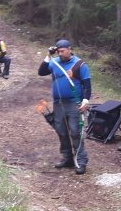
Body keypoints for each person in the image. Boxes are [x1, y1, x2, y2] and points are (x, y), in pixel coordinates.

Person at [38, 39, 91, 175]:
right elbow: (42, 72)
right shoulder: (54, 62)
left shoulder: (80, 64)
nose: (60, 54)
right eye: (58, 52)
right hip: (58, 104)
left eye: (63, 51)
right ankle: (67, 158)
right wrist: (49, 56)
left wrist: (85, 100)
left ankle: (81, 161)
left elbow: (87, 85)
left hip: (74, 103)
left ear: (70, 49)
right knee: (62, 131)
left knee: (75, 132)